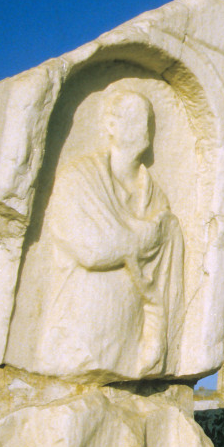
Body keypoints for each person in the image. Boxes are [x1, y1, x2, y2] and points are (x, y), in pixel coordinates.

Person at [38, 89, 184, 379]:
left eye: (148, 120)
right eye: (134, 117)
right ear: (111, 126)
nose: (144, 127)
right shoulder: (77, 179)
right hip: (80, 335)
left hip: (132, 336)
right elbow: (93, 250)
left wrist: (155, 336)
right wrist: (142, 236)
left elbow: (162, 279)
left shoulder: (156, 199)